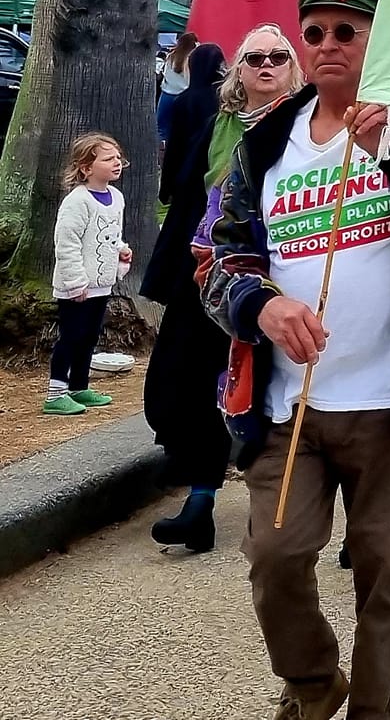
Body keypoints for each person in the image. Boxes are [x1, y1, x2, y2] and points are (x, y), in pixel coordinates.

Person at [203, 0, 390, 720]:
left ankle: (374, 710)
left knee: (385, 566)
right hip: (289, 403)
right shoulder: (264, 142)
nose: (326, 45)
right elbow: (216, 255)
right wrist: (263, 304)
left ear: (376, 40)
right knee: (277, 557)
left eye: (345, 31)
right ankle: (315, 685)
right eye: (313, 32)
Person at [143, 37, 257, 549]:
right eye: (254, 57)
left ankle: (204, 500)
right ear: (236, 72)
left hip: (263, 283)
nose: (266, 66)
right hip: (199, 275)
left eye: (278, 57)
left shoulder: (300, 132)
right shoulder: (216, 125)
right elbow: (184, 191)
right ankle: (199, 494)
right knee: (174, 381)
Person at [46, 133, 131, 416]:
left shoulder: (116, 198)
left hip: (101, 285)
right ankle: (56, 392)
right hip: (78, 287)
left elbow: (108, 235)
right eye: (108, 159)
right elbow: (67, 243)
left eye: (118, 158)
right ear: (86, 167)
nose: (117, 163)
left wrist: (120, 250)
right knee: (72, 336)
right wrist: (75, 281)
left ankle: (79, 386)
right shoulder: (77, 202)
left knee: (89, 336)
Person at [159, 30, 198, 144]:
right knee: (182, 127)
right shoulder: (191, 60)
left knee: (161, 127)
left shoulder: (171, 56)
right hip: (183, 96)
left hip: (167, 94)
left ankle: (161, 152)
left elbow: (165, 73)